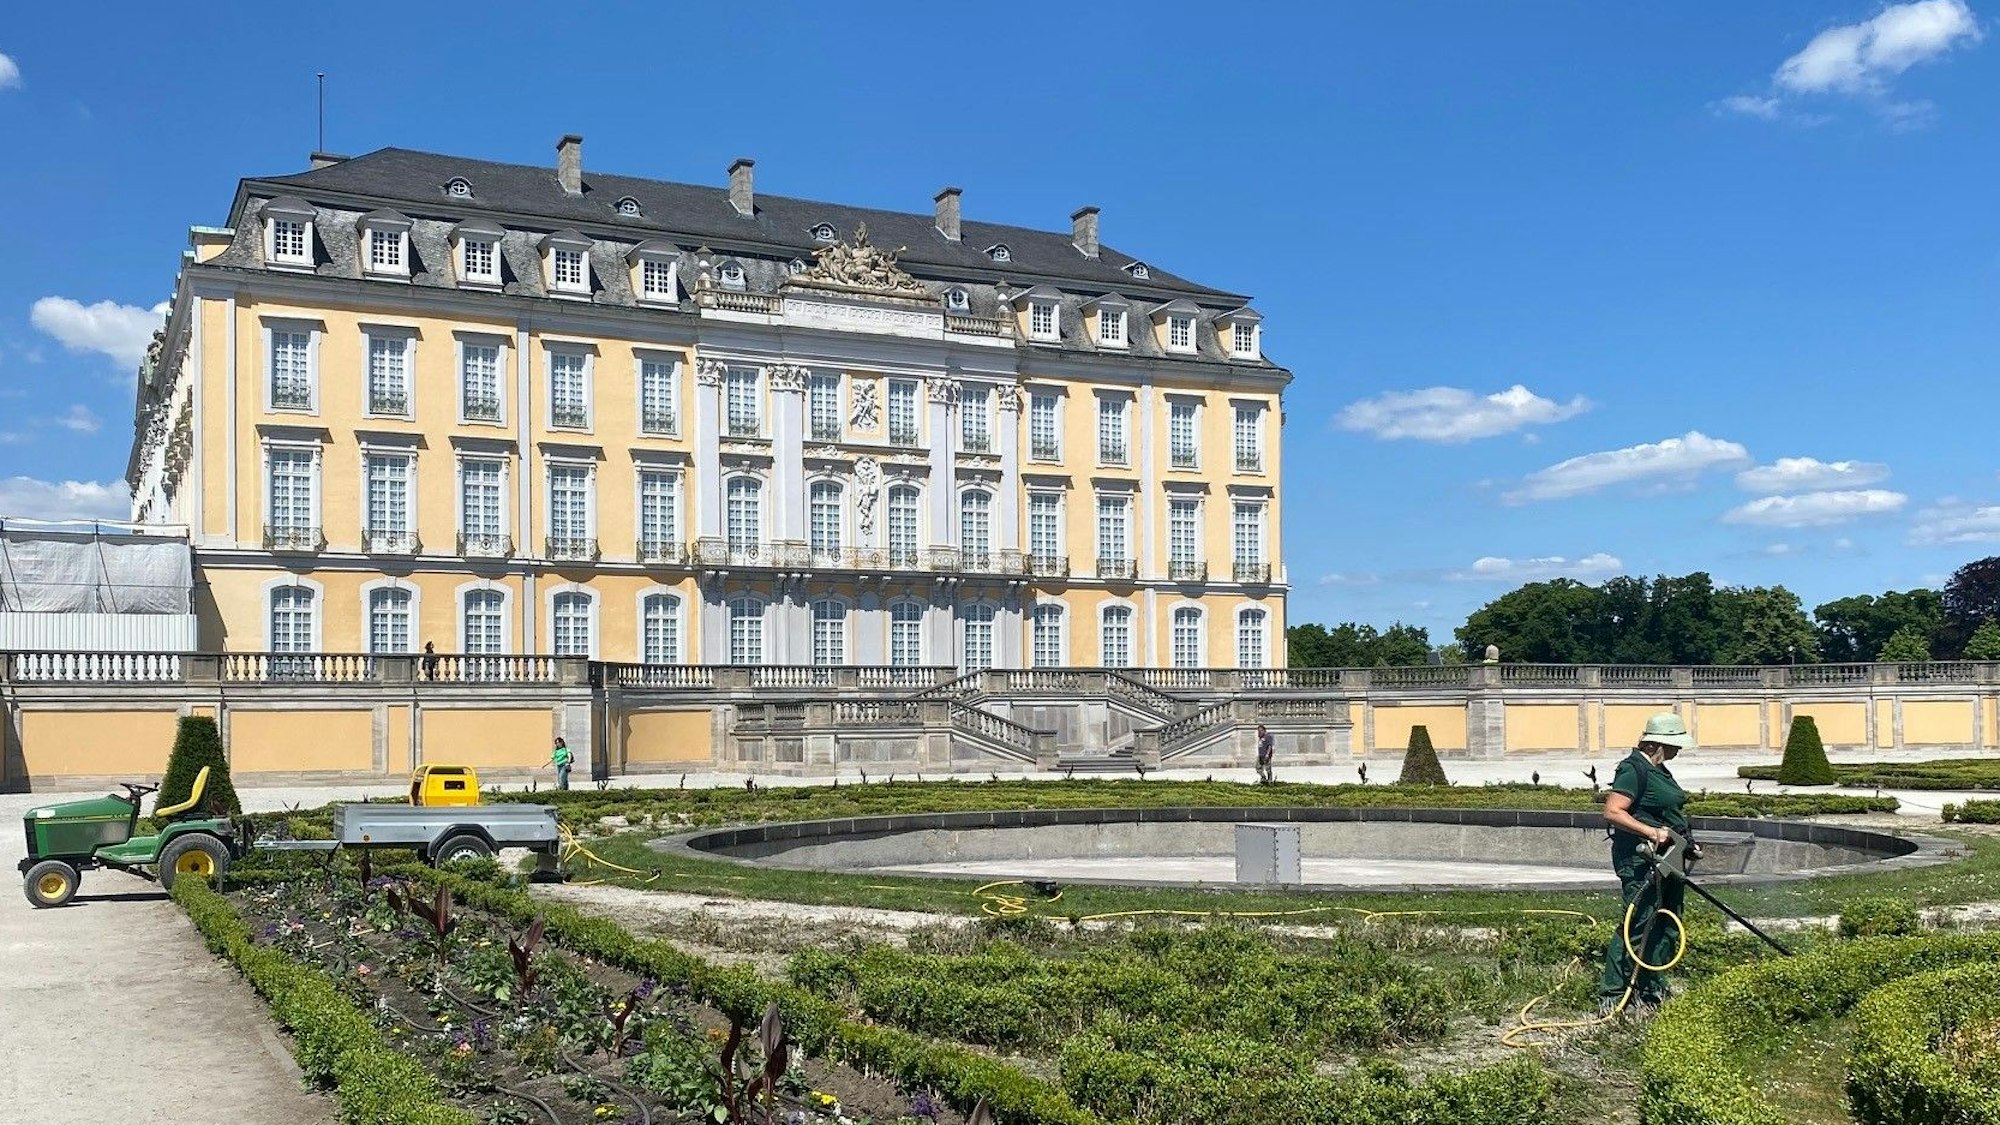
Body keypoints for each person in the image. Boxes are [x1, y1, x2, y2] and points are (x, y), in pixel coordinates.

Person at [1598, 712, 1695, 1015]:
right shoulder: (1633, 769)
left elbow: (1668, 811)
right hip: (1642, 860)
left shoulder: (1660, 770)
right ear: (1657, 744)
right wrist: (1653, 833)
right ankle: (1613, 994)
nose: (1679, 751)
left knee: (1666, 921)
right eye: (1674, 744)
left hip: (1670, 858)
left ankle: (1651, 987)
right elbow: (1613, 812)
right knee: (1637, 923)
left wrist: (1686, 842)